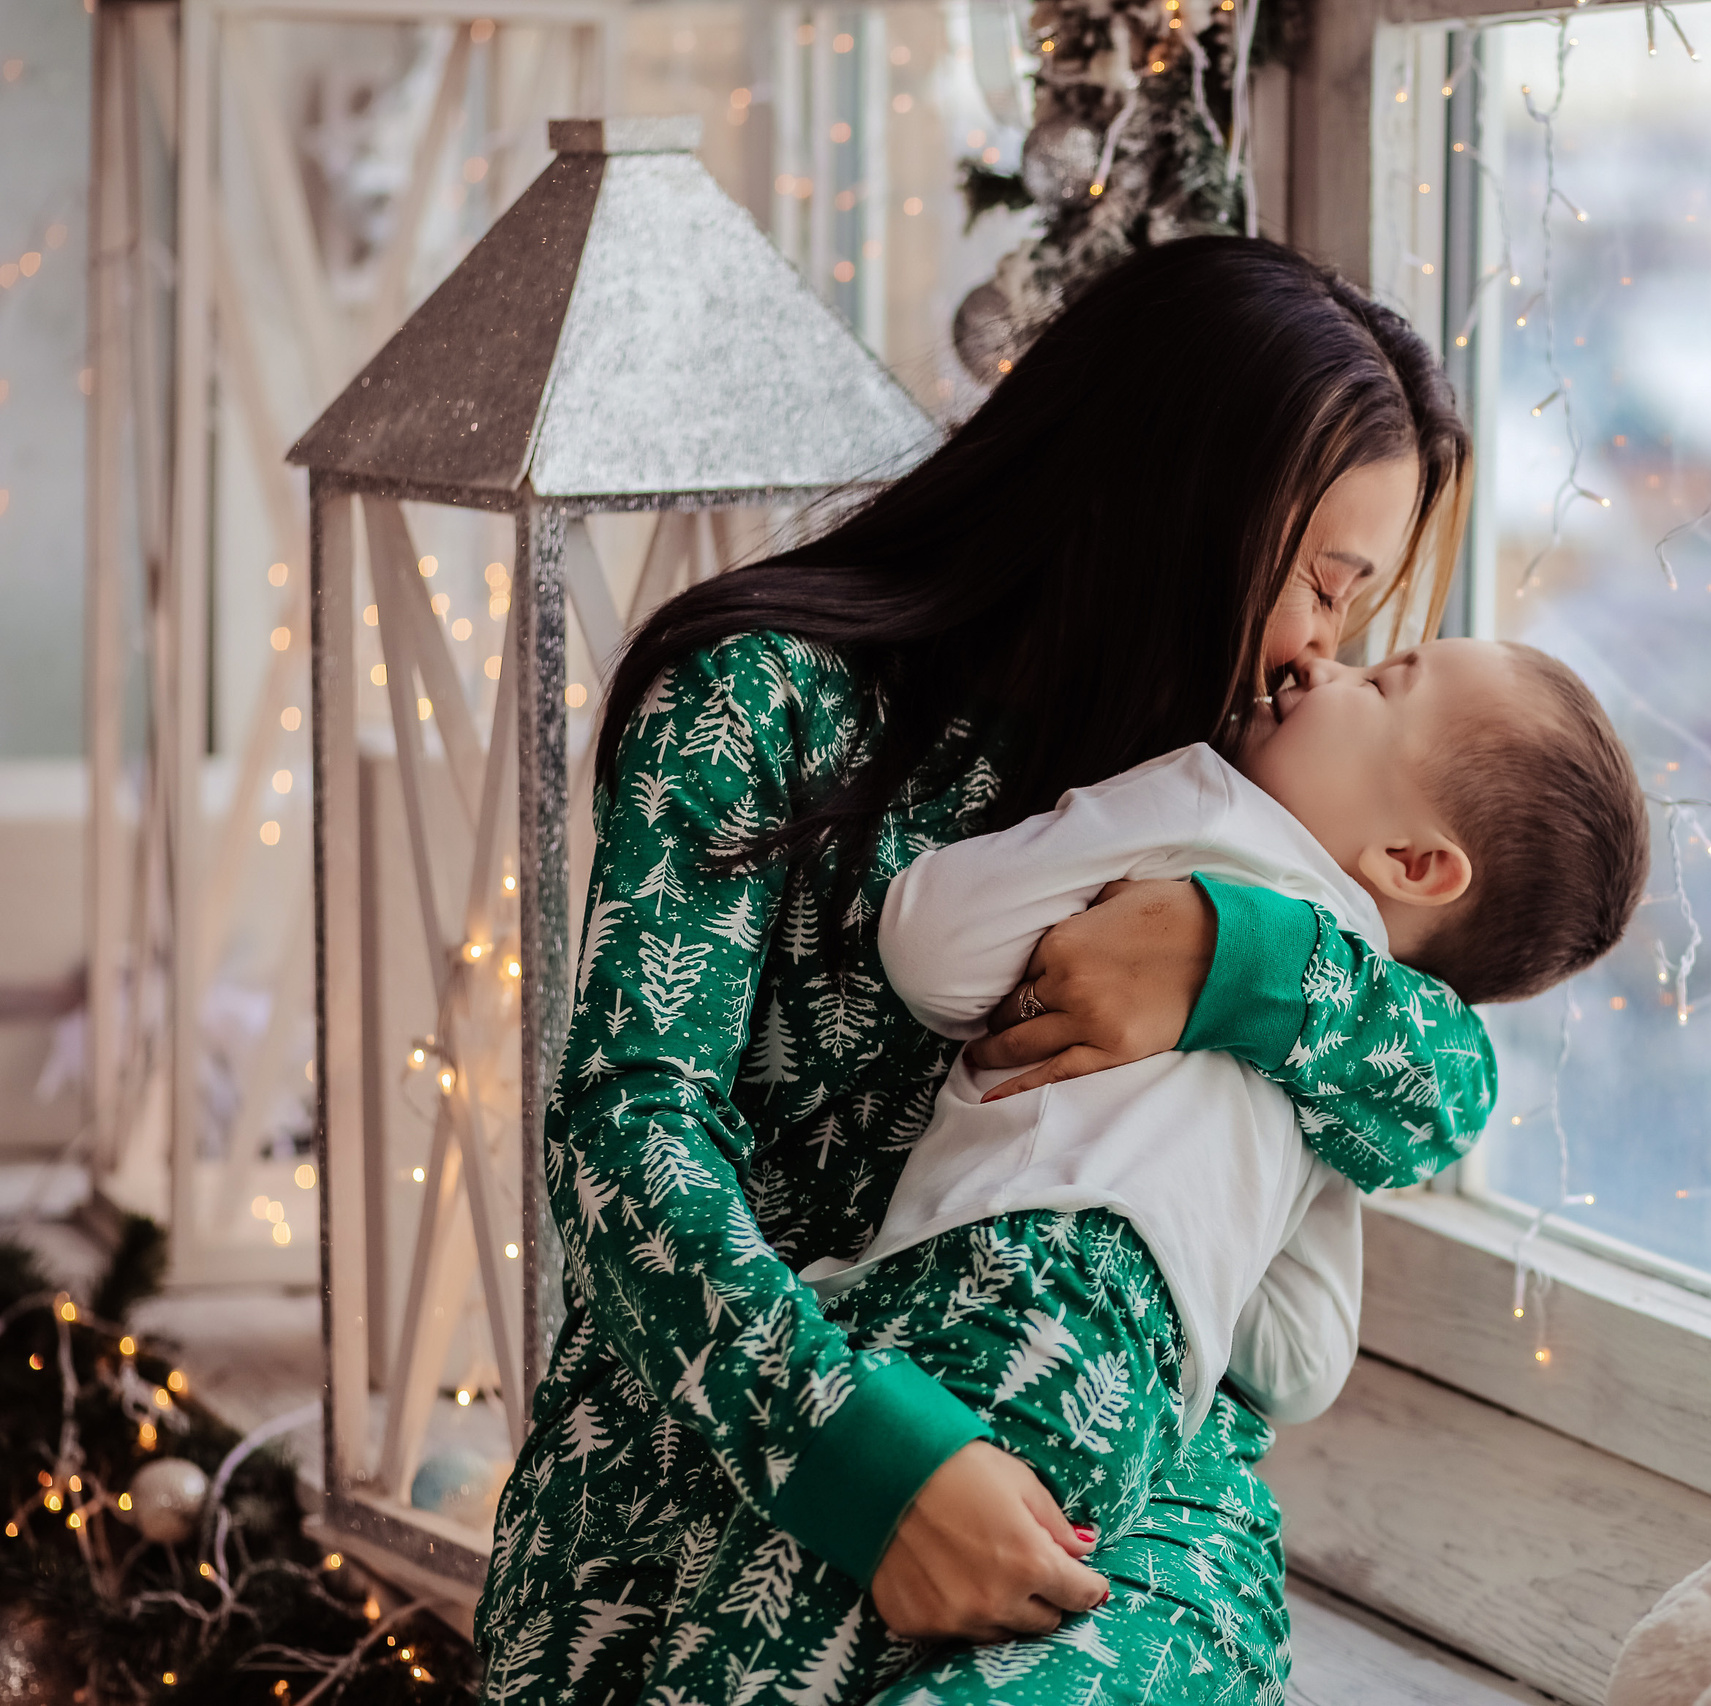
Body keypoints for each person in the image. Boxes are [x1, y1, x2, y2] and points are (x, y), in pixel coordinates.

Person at [473, 237, 1490, 1705]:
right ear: (1180, 508)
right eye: (1321, 587)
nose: (1318, 654)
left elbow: (1444, 1087)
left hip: (1115, 1486)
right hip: (730, 1453)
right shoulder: (761, 697)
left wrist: (1234, 959)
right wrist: (861, 1455)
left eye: (1357, 611)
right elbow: (630, 1130)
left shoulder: (1236, 789)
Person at [635, 638, 1649, 1703]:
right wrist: (1205, 1235)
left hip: (986, 1294)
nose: (1322, 663)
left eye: (1381, 680)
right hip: (1133, 1414)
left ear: (1413, 861)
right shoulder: (1338, 1065)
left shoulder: (1207, 803)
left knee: (761, 1646)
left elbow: (934, 948)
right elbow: (1302, 1359)